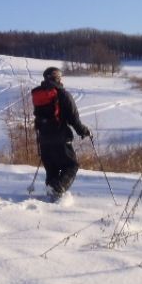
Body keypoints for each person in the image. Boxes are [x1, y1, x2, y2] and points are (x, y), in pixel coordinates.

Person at [31, 67, 91, 200]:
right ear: (57, 78)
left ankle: (50, 196)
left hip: (44, 139)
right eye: (60, 76)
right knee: (71, 166)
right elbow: (74, 119)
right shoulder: (63, 94)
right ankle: (56, 190)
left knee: (51, 170)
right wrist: (84, 131)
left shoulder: (39, 95)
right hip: (60, 138)